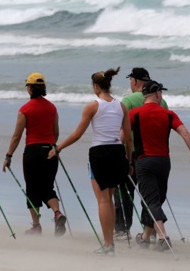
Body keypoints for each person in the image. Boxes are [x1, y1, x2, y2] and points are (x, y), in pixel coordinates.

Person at [48, 67, 132, 255]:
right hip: (118, 153)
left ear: (95, 86)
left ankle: (109, 245)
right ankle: (110, 243)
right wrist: (130, 161)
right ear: (108, 85)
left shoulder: (93, 105)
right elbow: (128, 137)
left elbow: (78, 134)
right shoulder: (121, 106)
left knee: (103, 201)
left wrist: (58, 148)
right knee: (108, 199)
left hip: (100, 153)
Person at [130, 80, 190, 252]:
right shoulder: (169, 114)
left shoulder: (135, 114)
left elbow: (123, 136)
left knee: (151, 201)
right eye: (161, 93)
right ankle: (145, 237)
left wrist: (123, 157)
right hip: (164, 162)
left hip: (144, 161)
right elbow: (185, 133)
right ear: (157, 94)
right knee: (156, 200)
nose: (161, 95)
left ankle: (163, 238)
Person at [2, 72, 67, 237]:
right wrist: (51, 146)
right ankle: (57, 213)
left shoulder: (25, 109)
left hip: (32, 151)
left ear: (30, 89)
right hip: (51, 151)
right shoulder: (52, 108)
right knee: (47, 187)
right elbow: (56, 132)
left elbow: (17, 136)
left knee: (32, 188)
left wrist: (9, 155)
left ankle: (36, 226)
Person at [113, 67, 168, 240]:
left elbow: (121, 128)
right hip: (155, 153)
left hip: (131, 153)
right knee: (150, 194)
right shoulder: (163, 102)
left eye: (130, 80)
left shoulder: (128, 100)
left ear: (134, 81)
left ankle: (123, 229)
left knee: (124, 192)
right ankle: (150, 231)